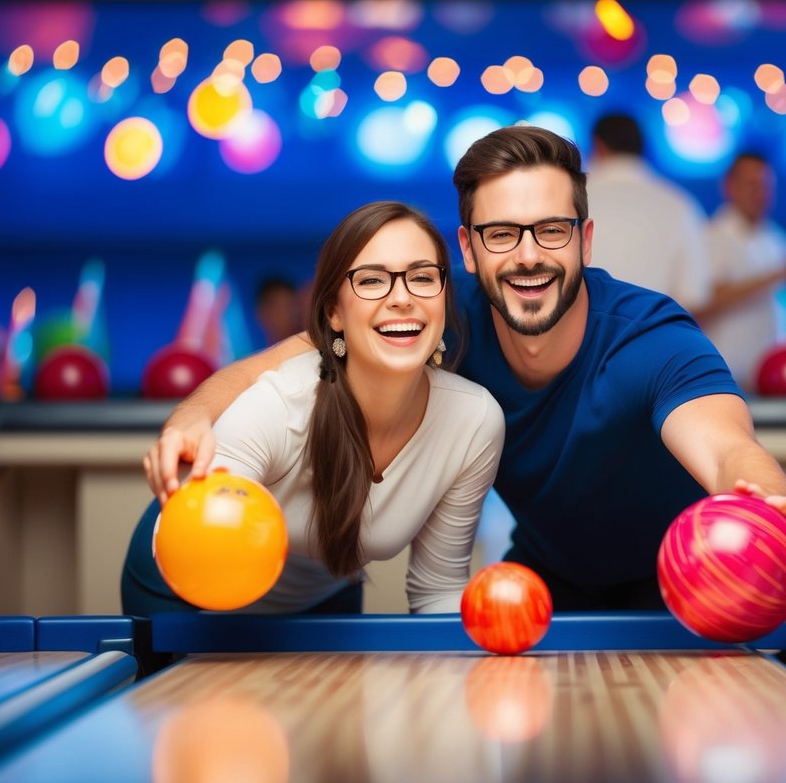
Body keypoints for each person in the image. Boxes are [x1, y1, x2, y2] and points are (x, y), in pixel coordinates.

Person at [143, 126, 786, 613]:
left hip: (685, 587)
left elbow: (729, 447)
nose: (527, 255)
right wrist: (194, 415)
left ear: (583, 241)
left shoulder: (650, 338)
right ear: (468, 249)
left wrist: (770, 512)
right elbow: (296, 357)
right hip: (546, 579)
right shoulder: (442, 316)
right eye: (501, 234)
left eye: (550, 231)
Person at [123, 201, 505, 615]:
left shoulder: (474, 419)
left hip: (324, 597)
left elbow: (438, 591)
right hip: (188, 590)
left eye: (423, 277)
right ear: (333, 313)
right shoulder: (278, 406)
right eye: (373, 280)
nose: (402, 298)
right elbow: (199, 544)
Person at [692, 152, 786, 392]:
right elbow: (706, 301)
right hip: (728, 373)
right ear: (729, 187)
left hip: (774, 372)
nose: (760, 193)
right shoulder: (712, 236)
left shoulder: (778, 239)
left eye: (765, 186)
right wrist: (774, 275)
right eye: (751, 185)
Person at [584, 112, 711, 312]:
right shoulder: (680, 205)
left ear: (598, 145)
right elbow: (693, 296)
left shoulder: (569, 198)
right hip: (654, 337)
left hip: (579, 339)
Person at [253, 275, 304, 347]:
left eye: (289, 306)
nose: (286, 314)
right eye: (278, 308)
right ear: (262, 314)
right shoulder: (258, 357)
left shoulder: (314, 348)